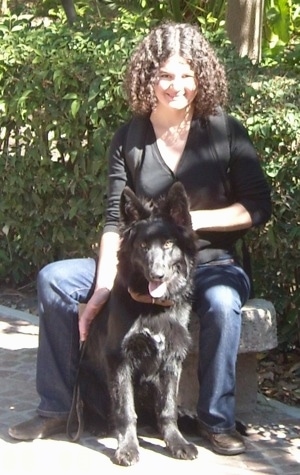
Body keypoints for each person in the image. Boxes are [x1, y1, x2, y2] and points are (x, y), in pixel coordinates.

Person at [9, 22, 271, 455]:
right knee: (55, 278)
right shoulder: (129, 138)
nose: (177, 86)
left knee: (224, 304)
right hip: (138, 263)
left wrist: (194, 224)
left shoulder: (225, 131)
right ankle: (56, 407)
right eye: (165, 75)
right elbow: (115, 219)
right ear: (147, 77)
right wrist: (104, 286)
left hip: (208, 263)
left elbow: (257, 207)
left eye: (186, 74)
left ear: (201, 76)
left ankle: (216, 421)